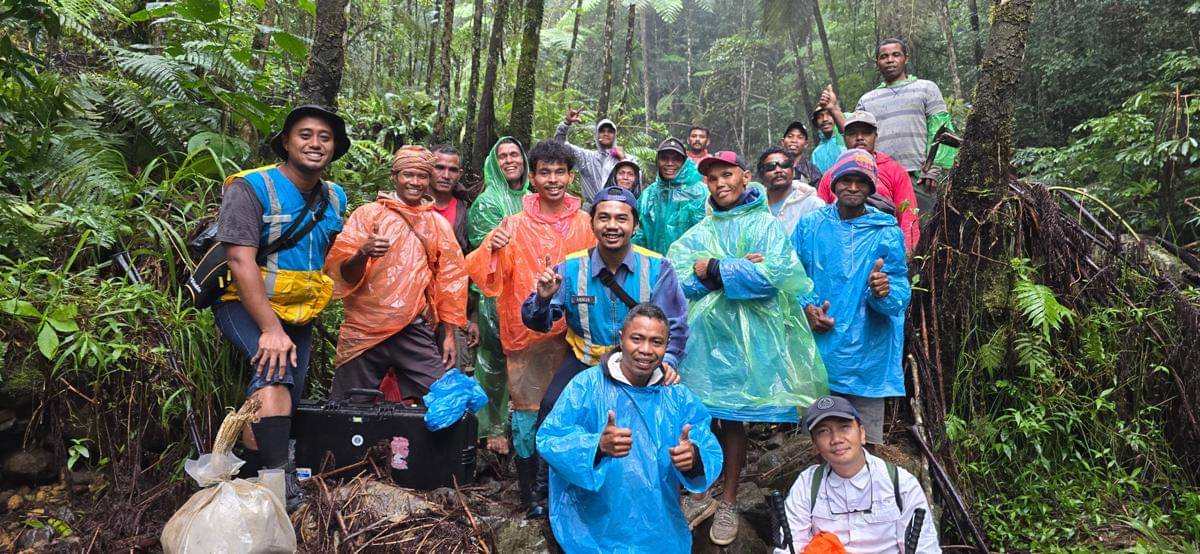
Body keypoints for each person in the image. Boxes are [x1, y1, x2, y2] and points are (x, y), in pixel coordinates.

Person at [667, 151, 827, 545]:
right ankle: (701, 491)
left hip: (748, 343)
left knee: (735, 419)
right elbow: (680, 277)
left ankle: (729, 500)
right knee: (701, 415)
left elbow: (776, 276)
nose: (720, 184)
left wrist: (718, 268)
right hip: (706, 342)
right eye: (712, 178)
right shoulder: (701, 230)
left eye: (727, 175)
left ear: (743, 178)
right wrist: (736, 267)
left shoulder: (767, 225)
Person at [521, 186, 691, 517]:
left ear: (635, 225)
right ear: (592, 223)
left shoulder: (658, 268)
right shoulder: (570, 268)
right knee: (552, 406)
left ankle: (665, 488)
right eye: (604, 218)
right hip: (586, 360)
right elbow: (538, 322)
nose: (612, 225)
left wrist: (667, 361)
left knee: (663, 417)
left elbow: (677, 325)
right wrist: (542, 299)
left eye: (621, 218)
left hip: (641, 365)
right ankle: (542, 488)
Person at [212, 104, 349, 506]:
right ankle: (279, 486)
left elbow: (322, 256)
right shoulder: (249, 187)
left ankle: (251, 473)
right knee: (275, 380)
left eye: (325, 137)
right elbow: (239, 260)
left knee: (279, 397)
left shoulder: (335, 197)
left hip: (299, 314)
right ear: (286, 142)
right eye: (305, 134)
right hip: (245, 305)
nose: (315, 143)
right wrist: (270, 330)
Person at [465, 140, 596, 515]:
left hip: (576, 338)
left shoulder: (587, 223)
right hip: (525, 334)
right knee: (526, 414)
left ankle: (566, 489)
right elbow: (479, 273)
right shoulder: (514, 224)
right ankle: (530, 495)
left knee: (574, 411)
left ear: (571, 176)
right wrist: (493, 245)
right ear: (532, 177)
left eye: (560, 172)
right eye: (544, 173)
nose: (552, 180)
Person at [537, 304, 724, 553]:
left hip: (660, 531)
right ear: (621, 339)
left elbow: (708, 444)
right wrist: (597, 447)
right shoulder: (587, 386)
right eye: (637, 339)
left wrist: (694, 458)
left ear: (666, 346)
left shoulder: (676, 396)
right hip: (592, 531)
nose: (646, 350)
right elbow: (551, 438)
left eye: (656, 342)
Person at [324, 145, 468, 402]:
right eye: (408, 175)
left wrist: (449, 335)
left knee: (445, 402)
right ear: (394, 176)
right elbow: (344, 275)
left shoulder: (437, 225)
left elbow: (451, 282)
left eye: (422, 176)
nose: (415, 182)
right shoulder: (368, 216)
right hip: (364, 330)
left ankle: (414, 443)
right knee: (346, 409)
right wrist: (362, 253)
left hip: (414, 329)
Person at [792, 149, 910, 445]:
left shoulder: (885, 231)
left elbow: (899, 293)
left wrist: (883, 292)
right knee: (816, 445)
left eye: (861, 181)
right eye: (846, 180)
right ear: (833, 184)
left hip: (867, 359)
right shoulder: (810, 226)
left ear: (871, 187)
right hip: (818, 355)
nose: (854, 187)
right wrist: (807, 308)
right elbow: (791, 277)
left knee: (867, 446)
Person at [774, 395, 940, 553]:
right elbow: (790, 546)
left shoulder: (900, 483)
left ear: (862, 433)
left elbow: (924, 548)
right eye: (823, 431)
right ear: (815, 445)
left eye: (844, 427)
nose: (836, 439)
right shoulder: (807, 485)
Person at [843, 38, 957, 223]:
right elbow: (856, 136)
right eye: (884, 56)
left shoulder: (926, 88)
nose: (890, 60)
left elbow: (941, 130)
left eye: (896, 55)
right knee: (883, 230)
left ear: (906, 58)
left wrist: (933, 170)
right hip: (879, 178)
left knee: (923, 231)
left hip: (918, 176)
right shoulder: (867, 100)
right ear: (877, 62)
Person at [467, 137, 531, 454]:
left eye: (514, 154)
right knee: (493, 363)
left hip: (531, 293)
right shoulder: (487, 203)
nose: (509, 160)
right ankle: (489, 428)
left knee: (525, 363)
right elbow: (480, 252)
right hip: (497, 294)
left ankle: (519, 427)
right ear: (494, 162)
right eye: (502, 155)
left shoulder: (534, 198)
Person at [814, 111, 920, 253]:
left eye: (866, 133)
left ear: (875, 136)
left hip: (883, 249)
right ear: (844, 138)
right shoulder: (831, 175)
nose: (859, 138)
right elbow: (820, 219)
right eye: (852, 134)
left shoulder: (894, 170)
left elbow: (908, 216)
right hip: (841, 250)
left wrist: (908, 253)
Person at [633, 137, 707, 255]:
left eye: (676, 159)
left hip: (688, 266)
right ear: (657, 161)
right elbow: (641, 233)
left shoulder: (699, 192)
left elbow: (705, 234)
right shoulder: (649, 194)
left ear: (684, 162)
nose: (669, 163)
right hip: (654, 265)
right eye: (664, 158)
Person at [554, 106, 625, 205]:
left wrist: (623, 160)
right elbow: (559, 147)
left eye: (610, 131)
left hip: (617, 210)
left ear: (615, 135)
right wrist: (566, 123)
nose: (606, 134)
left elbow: (634, 184)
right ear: (596, 135)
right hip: (590, 212)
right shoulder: (586, 157)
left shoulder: (624, 159)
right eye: (602, 131)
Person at [757, 146, 825, 234]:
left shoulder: (812, 205)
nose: (778, 170)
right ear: (761, 176)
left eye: (784, 165)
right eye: (771, 167)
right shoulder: (755, 208)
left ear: (792, 171)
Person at [810, 100, 846, 173]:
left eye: (829, 114)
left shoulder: (846, 140)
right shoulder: (816, 154)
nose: (825, 119)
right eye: (820, 116)